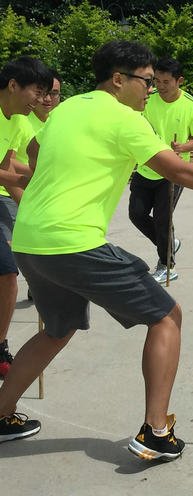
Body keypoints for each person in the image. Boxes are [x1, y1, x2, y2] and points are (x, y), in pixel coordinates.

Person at [0, 41, 193, 459]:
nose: (150, 91)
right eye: (145, 81)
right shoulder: (125, 119)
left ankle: (1, 412)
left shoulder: (66, 109)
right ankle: (156, 432)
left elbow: (35, 151)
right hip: (74, 242)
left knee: (55, 330)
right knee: (166, 317)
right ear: (119, 79)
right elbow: (176, 170)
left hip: (31, 239)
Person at [129, 57, 193, 284]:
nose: (160, 86)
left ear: (179, 81)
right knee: (136, 214)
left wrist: (183, 147)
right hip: (146, 166)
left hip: (173, 170)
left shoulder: (191, 105)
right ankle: (171, 243)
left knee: (163, 218)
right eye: (157, 81)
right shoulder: (148, 100)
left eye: (166, 82)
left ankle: (167, 265)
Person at [0, 57, 50, 381]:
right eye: (35, 90)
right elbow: (12, 176)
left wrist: (34, 199)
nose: (38, 99)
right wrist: (23, 181)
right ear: (14, 85)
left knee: (7, 275)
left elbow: (9, 167)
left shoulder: (19, 122)